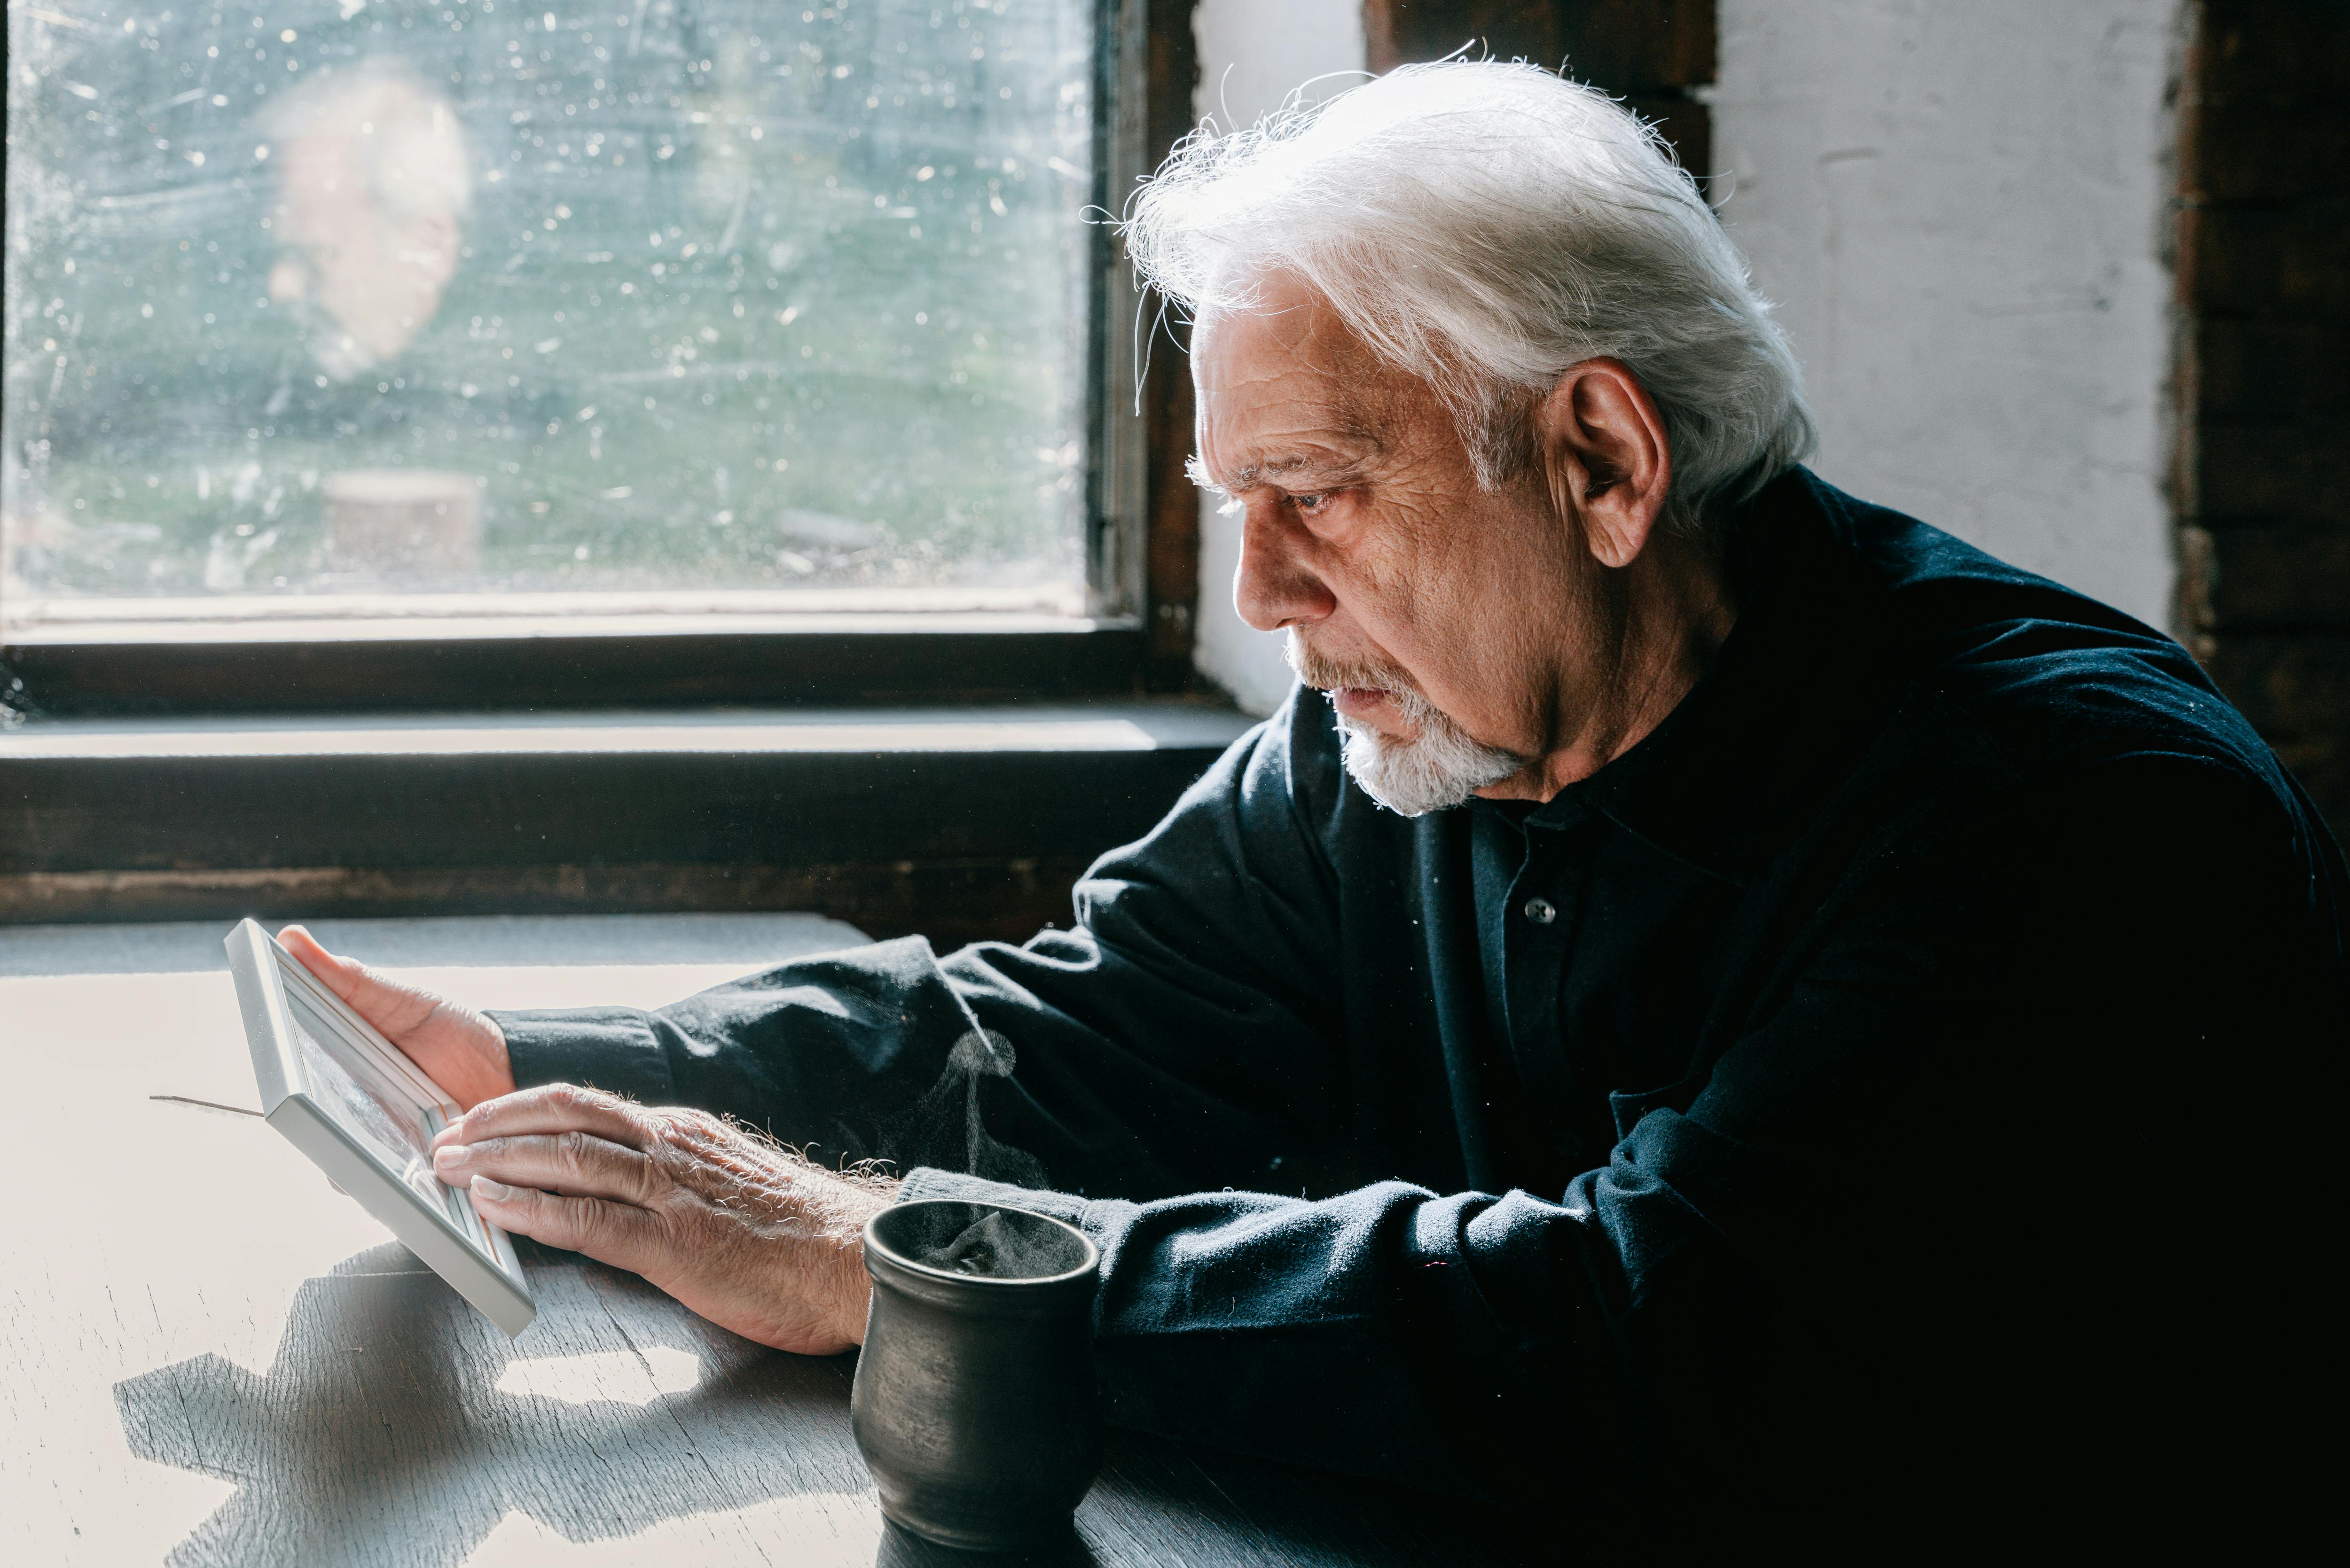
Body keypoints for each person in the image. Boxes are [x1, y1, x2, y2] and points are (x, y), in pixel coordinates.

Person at [283, 62, 2344, 1542]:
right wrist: (546, 1079)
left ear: (1602, 465)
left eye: (1319, 499)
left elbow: (1642, 1344)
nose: (1263, 601)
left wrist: (897, 1260)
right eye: (1229, 512)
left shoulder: (2072, 817)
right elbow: (1069, 1033)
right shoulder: (1419, 722)